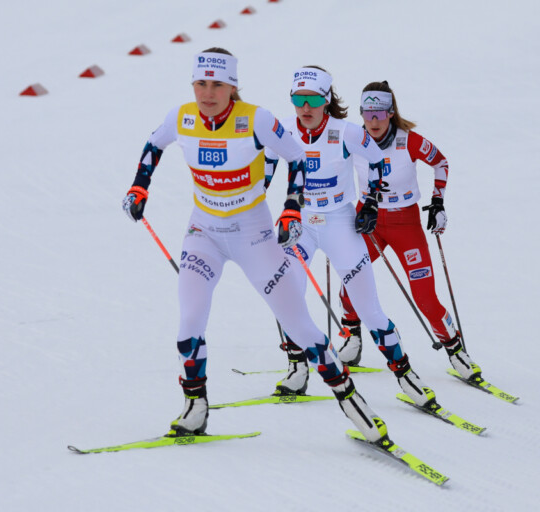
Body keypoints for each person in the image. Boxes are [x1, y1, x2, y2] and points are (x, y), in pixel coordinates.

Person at [122, 48, 390, 443]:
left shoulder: (256, 119)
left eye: (217, 84)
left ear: (232, 86)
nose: (208, 93)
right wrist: (138, 186)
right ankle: (195, 406)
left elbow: (297, 158)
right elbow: (153, 145)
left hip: (254, 235)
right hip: (204, 234)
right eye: (201, 83)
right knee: (189, 322)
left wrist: (291, 209)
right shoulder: (182, 117)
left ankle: (351, 401)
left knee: (299, 325)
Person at [265, 66, 438, 408]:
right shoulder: (282, 129)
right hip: (299, 223)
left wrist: (371, 202)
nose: (305, 108)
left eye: (313, 99)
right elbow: (266, 170)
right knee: (287, 298)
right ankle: (297, 369)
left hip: (339, 223)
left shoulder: (346, 132)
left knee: (368, 308)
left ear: (327, 100)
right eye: (298, 99)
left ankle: (405, 374)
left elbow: (377, 163)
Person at [338, 80, 482, 381]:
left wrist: (438, 202)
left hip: (406, 224)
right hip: (369, 221)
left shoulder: (409, 140)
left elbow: (440, 162)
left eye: (380, 113)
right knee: (350, 277)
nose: (374, 121)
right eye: (368, 113)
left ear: (391, 113)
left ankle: (455, 349)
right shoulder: (352, 138)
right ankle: (352, 336)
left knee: (425, 298)